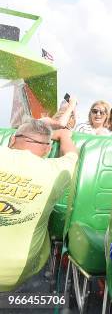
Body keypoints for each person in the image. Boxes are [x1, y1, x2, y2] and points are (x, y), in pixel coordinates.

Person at [0, 119, 77, 291]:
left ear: (12, 140)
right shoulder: (57, 171)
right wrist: (63, 135)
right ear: (48, 150)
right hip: (18, 273)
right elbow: (72, 155)